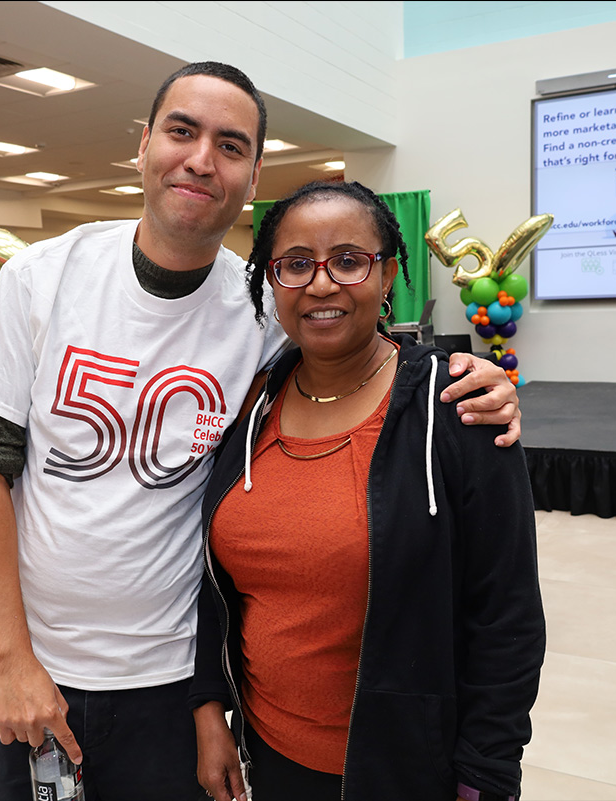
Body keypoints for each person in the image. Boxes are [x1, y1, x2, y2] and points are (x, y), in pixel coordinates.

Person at [0, 62, 523, 801]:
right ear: (144, 143)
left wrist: (479, 383)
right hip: (33, 669)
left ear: (252, 177)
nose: (199, 158)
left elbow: (355, 359)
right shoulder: (41, 277)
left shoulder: (262, 314)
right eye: (181, 131)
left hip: (172, 680)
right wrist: (14, 656)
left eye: (230, 144)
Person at [190, 181, 545, 801]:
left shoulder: (457, 409)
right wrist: (209, 709)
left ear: (389, 276)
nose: (321, 284)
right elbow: (217, 589)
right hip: (269, 754)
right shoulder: (248, 407)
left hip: (406, 768)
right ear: (271, 284)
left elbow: (507, 616)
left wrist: (486, 773)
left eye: (350, 260)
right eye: (296, 264)